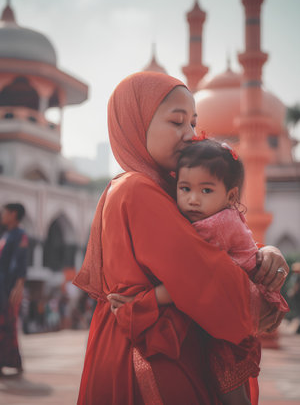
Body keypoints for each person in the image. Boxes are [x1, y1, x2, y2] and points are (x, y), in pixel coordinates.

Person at [74, 72, 289, 405]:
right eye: (177, 123)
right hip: (150, 355)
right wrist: (258, 288)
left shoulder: (164, 189)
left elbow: (210, 245)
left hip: (152, 346)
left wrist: (262, 253)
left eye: (193, 123)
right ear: (137, 122)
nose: (190, 135)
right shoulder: (138, 189)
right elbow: (203, 274)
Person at [130, 139, 288, 405]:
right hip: (229, 309)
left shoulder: (217, 224)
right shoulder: (213, 215)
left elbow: (193, 274)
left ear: (230, 197)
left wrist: (147, 298)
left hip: (232, 315)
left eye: (206, 190)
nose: (192, 199)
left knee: (229, 390)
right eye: (185, 188)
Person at [0, 203, 28, 376]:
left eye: (4, 212)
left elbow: (21, 262)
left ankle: (11, 361)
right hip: (2, 285)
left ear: (14, 213)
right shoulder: (6, 234)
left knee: (8, 323)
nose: (2, 215)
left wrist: (18, 286)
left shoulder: (20, 235)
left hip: (10, 287)